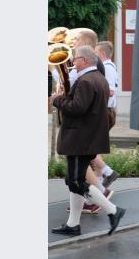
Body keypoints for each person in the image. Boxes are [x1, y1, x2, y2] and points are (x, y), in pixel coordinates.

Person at [51, 46, 125, 236]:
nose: (72, 62)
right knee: (76, 180)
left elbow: (77, 108)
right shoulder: (99, 78)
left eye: (75, 59)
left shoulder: (85, 80)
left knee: (75, 182)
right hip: (86, 138)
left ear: (84, 60)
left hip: (79, 139)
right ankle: (73, 224)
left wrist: (57, 100)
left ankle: (113, 211)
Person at [93, 41, 119, 188]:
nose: (94, 55)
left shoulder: (107, 68)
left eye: (95, 53)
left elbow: (109, 91)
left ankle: (107, 172)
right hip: (106, 110)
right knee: (95, 147)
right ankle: (99, 181)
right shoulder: (109, 66)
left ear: (102, 53)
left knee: (90, 147)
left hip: (104, 110)